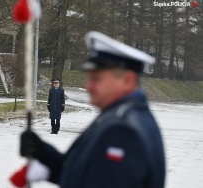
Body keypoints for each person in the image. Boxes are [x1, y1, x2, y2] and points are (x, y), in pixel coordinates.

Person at [20, 31, 166, 188]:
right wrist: (43, 152)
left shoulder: (122, 131)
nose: (88, 86)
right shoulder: (121, 115)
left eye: (96, 79)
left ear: (127, 80)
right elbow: (87, 175)